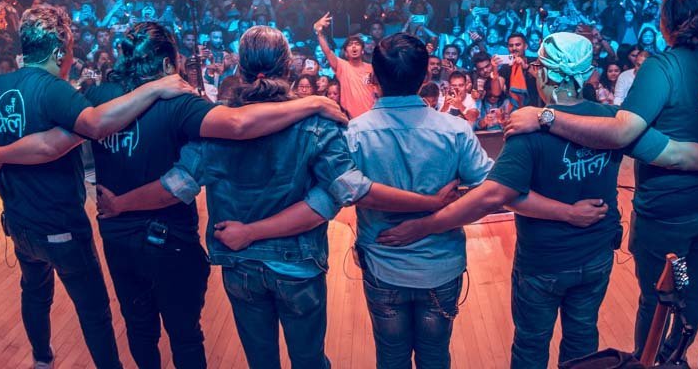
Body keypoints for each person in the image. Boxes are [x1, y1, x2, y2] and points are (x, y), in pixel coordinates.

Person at [0, 21, 352, 369]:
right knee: (186, 337)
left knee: (139, 329)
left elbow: (53, 144)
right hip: (171, 242)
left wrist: (1, 154)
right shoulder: (180, 100)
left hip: (117, 239)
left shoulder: (97, 98)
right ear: (165, 63)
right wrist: (312, 103)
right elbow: (238, 126)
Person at [96, 26, 455, 369]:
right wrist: (428, 203)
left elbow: (176, 186)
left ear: (240, 67)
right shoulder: (317, 120)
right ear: (289, 68)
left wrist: (121, 204)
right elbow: (350, 190)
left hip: (240, 265)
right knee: (309, 362)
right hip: (297, 266)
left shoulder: (215, 125)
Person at [507, 0, 698, 358]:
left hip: (669, 207)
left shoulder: (663, 66)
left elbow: (625, 134)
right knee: (697, 289)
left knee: (656, 296)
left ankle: (650, 360)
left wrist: (546, 116)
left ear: (671, 19)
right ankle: (677, 356)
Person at [380, 32, 623, 369]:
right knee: (583, 340)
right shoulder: (612, 119)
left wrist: (425, 225)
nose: (534, 71)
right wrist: (569, 212)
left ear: (549, 74)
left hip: (545, 263)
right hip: (597, 255)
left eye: (538, 65)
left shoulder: (529, 129)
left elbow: (495, 195)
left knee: (531, 346)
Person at [0, 4, 193, 369]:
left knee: (34, 291)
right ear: (60, 51)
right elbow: (94, 125)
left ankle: (42, 361)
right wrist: (157, 87)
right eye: (72, 47)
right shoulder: (56, 91)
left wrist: (6, 181)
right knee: (94, 312)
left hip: (17, 223)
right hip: (60, 227)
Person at [315, 12, 376, 119]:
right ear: (346, 52)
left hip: (371, 117)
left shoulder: (371, 68)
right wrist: (319, 31)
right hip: (350, 119)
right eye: (350, 45)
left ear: (362, 51)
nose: (354, 47)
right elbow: (328, 52)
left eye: (357, 44)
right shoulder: (342, 66)